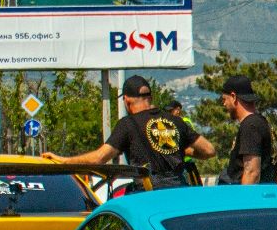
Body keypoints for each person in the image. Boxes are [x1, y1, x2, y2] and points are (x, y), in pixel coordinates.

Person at [45, 75, 214, 188]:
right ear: (150, 97)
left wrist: (64, 161)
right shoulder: (175, 121)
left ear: (126, 100)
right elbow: (209, 150)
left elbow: (99, 158)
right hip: (178, 190)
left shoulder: (128, 124)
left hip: (148, 194)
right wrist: (174, 150)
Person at [216, 74, 277, 185]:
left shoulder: (251, 126)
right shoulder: (261, 122)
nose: (224, 104)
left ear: (233, 97)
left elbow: (252, 172)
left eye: (224, 99)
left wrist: (245, 200)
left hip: (250, 198)